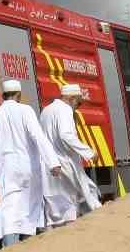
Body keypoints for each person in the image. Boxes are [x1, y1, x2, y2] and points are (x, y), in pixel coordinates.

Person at [0, 80, 65, 247]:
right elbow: (38, 137)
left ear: (3, 95)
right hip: (28, 167)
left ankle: (11, 248)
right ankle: (27, 248)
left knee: (8, 209)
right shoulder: (25, 110)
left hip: (6, 170)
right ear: (19, 95)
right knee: (29, 207)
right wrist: (53, 163)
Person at [40, 83, 100, 227]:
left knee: (59, 206)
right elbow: (66, 135)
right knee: (86, 194)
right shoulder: (65, 109)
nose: (77, 107)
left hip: (49, 165)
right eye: (78, 103)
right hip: (65, 162)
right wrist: (89, 153)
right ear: (72, 98)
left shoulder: (46, 111)